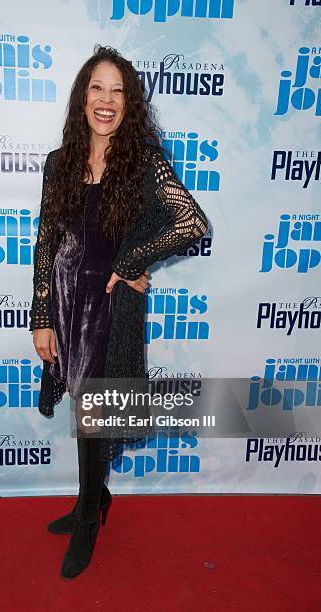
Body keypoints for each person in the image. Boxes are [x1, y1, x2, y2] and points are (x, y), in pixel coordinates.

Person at [29, 44, 208, 580]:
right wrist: (41, 315)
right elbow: (45, 241)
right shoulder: (59, 163)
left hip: (112, 306)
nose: (106, 100)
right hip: (65, 301)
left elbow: (192, 221)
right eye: (97, 88)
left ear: (129, 103)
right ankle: (96, 496)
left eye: (118, 91)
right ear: (82, 97)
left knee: (95, 412)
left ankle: (87, 517)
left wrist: (132, 259)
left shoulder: (143, 161)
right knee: (85, 408)